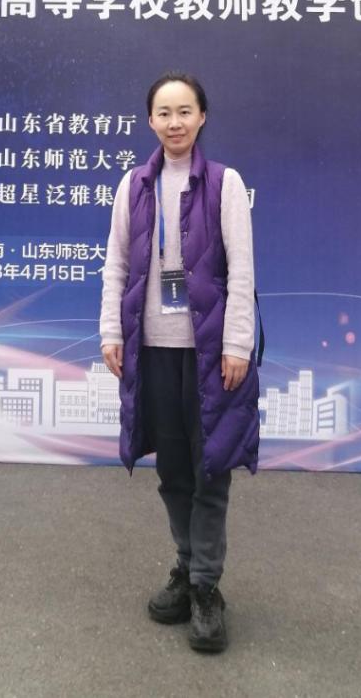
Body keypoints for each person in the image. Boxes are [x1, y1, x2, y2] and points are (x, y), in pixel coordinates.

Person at [99, 72, 259, 654]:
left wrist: (237, 344)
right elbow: (117, 264)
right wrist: (111, 331)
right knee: (173, 472)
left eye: (184, 111)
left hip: (210, 353)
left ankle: (207, 588)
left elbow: (241, 270)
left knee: (210, 470)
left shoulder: (224, 183)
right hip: (154, 351)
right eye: (164, 113)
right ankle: (186, 567)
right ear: (150, 120)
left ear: (202, 117)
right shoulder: (134, 185)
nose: (174, 122)